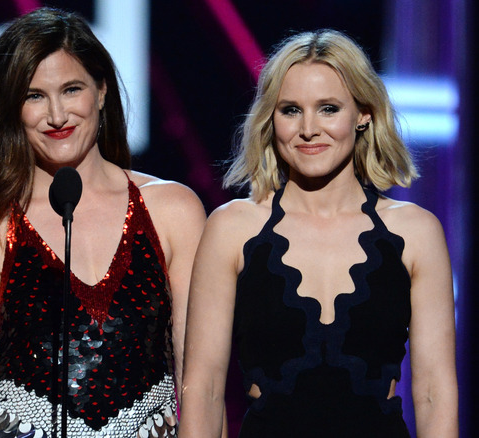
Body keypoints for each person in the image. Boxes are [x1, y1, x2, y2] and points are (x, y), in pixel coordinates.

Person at [178, 29, 458, 437]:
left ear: (363, 113)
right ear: (270, 119)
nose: (309, 129)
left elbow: (434, 391)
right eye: (291, 110)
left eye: (328, 108)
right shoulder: (231, 228)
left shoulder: (416, 232)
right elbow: (202, 390)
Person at [0, 7, 205, 438]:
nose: (57, 115)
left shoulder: (173, 211)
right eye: (34, 96)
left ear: (101, 91)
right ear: (12, 109)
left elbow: (199, 382)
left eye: (71, 90)